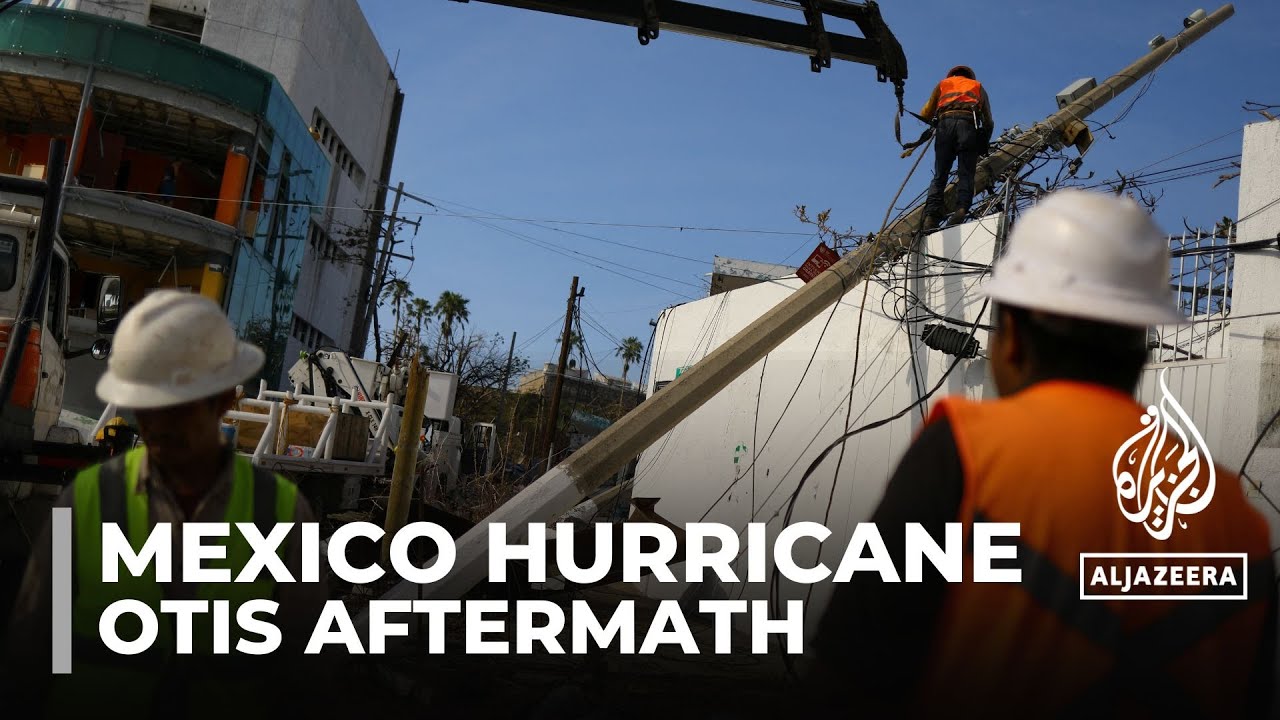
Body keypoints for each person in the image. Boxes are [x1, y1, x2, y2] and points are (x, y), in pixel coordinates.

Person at [809, 190, 1276, 717]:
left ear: (1009, 339)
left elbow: (847, 677)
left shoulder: (966, 453)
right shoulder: (1239, 522)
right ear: (1143, 347)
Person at [4, 290, 327, 717]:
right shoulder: (88, 500)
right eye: (146, 406)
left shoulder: (282, 515)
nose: (156, 425)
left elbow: (303, 676)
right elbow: (31, 653)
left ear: (225, 402)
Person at [919, 65, 993, 231]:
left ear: (952, 75)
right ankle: (961, 208)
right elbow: (989, 121)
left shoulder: (943, 84)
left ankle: (931, 214)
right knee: (966, 173)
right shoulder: (978, 86)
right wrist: (983, 142)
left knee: (940, 174)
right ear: (970, 76)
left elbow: (925, 113)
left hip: (945, 127)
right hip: (967, 128)